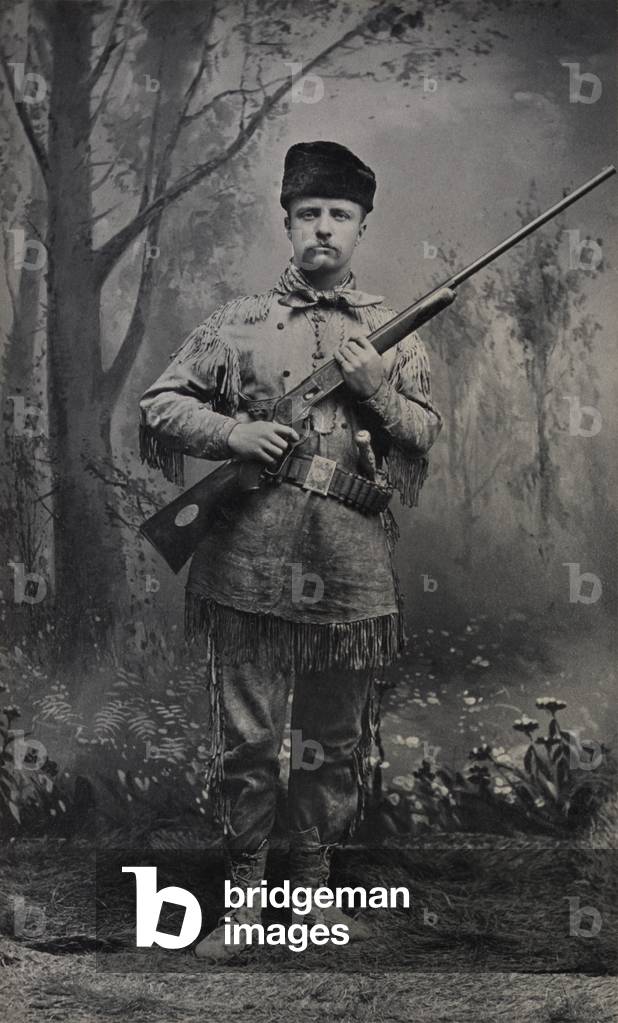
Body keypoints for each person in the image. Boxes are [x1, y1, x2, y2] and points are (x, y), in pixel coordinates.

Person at [139, 140, 442, 961]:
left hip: (348, 567)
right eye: (309, 214)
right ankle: (243, 903)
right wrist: (234, 430)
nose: (323, 230)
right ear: (287, 221)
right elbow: (160, 404)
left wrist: (375, 386)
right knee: (248, 736)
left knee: (332, 738)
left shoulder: (391, 333)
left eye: (339, 216)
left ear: (361, 227)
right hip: (246, 560)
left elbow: (423, 437)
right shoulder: (235, 323)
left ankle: (308, 896)